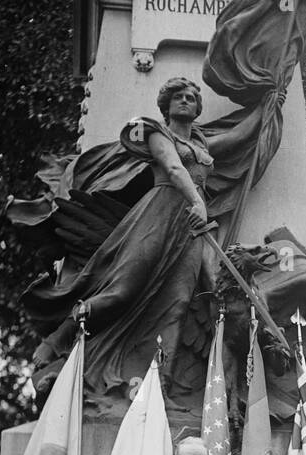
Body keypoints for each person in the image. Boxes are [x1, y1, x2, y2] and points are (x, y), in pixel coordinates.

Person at [23, 77, 218, 412]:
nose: (185, 100)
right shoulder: (156, 130)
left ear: (198, 108)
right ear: (166, 104)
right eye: (178, 96)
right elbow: (172, 168)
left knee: (178, 306)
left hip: (190, 228)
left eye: (191, 97)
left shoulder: (203, 147)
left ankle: (161, 388)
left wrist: (272, 102)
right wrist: (197, 203)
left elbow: (241, 141)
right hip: (159, 213)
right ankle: (58, 338)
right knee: (122, 290)